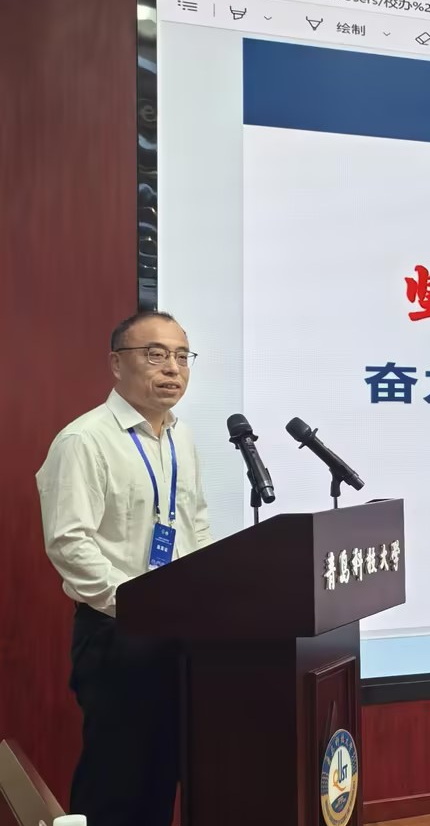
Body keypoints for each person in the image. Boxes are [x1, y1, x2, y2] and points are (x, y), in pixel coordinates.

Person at [35, 309, 212, 826]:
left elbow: (194, 522)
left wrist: (209, 593)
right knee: (116, 781)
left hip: (180, 631)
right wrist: (139, 606)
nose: (172, 368)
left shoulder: (180, 437)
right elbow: (70, 543)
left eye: (182, 356)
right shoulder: (84, 440)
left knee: (163, 776)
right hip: (117, 635)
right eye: (155, 354)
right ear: (117, 364)